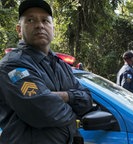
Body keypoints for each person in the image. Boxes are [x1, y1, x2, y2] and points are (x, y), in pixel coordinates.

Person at [0, 0, 93, 144]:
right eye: (30, 20)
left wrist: (65, 96)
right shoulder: (13, 65)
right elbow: (40, 111)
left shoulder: (62, 66)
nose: (39, 25)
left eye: (45, 20)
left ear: (53, 29)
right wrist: (74, 112)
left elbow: (87, 99)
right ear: (19, 30)